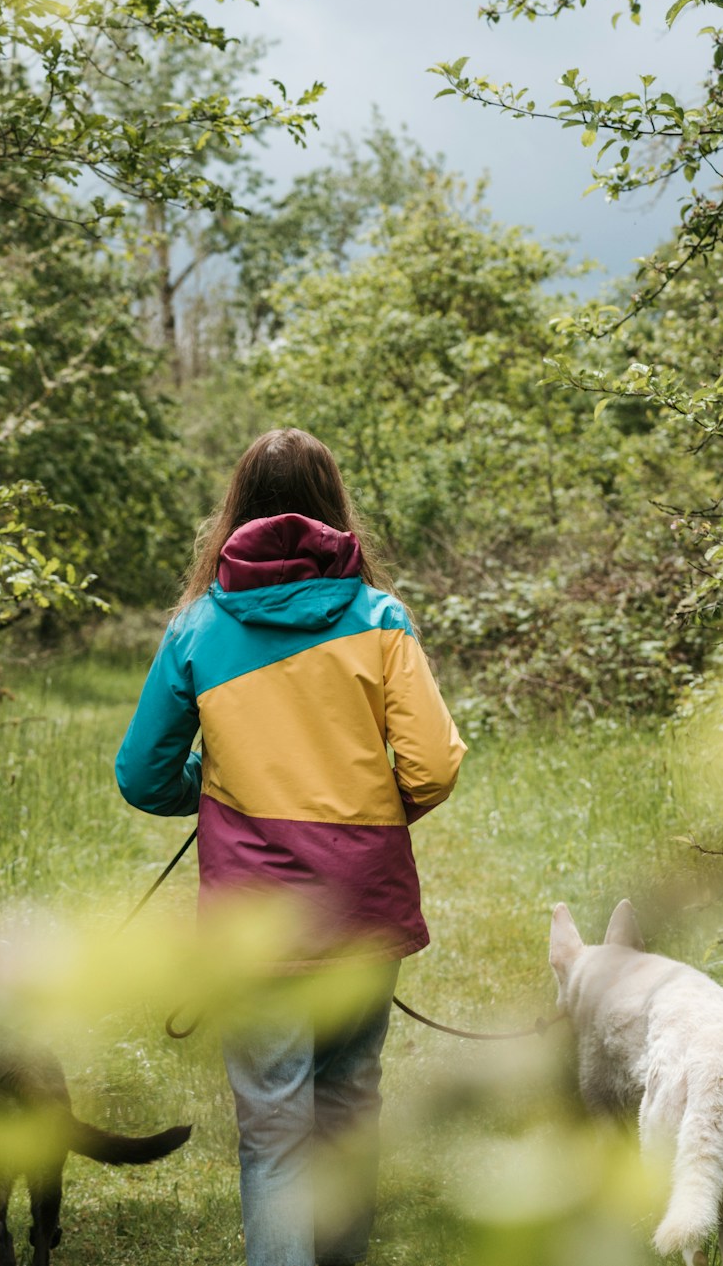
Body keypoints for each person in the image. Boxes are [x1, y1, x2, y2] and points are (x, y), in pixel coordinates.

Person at [114, 427, 465, 1266]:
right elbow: (434, 764)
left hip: (254, 927)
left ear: (236, 509)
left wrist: (211, 784)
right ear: (334, 506)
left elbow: (141, 773)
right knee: (346, 1112)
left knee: (274, 1134)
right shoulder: (380, 618)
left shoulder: (198, 626)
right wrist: (366, 821)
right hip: (361, 912)